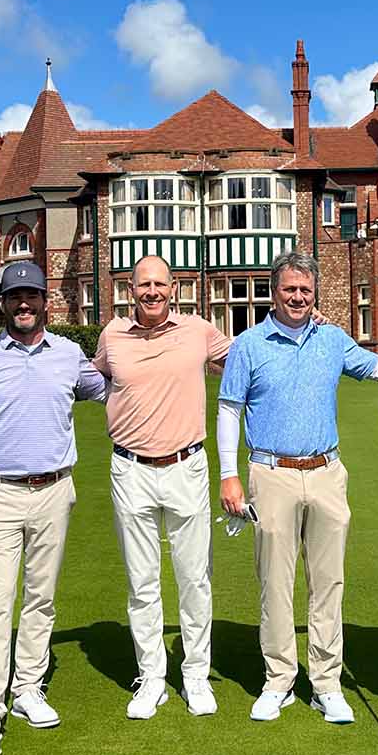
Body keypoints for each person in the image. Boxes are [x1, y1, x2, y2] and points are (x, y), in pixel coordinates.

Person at [216, 252, 378, 725]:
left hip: (326, 473)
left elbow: (376, 369)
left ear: (316, 294)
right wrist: (228, 474)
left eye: (305, 291)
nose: (297, 297)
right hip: (270, 472)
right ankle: (278, 681)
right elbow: (229, 409)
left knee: (328, 582)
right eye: (289, 289)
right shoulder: (249, 345)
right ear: (275, 292)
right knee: (275, 581)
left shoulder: (332, 339)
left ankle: (326, 683)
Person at [0, 262, 107, 755]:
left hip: (54, 491)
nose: (24, 304)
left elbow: (104, 387)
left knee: (41, 597)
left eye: (32, 296)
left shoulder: (70, 355)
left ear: (46, 301)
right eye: (14, 297)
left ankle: (27, 688)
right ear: (0, 303)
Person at [92, 254, 233, 719]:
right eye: (143, 284)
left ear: (174, 287)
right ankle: (151, 677)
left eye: (159, 283)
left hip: (186, 464)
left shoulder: (197, 331)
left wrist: (296, 320)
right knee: (142, 581)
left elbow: (250, 357)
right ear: (129, 288)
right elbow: (95, 377)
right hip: (130, 469)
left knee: (195, 578)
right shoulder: (112, 336)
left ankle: (195, 674)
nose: (151, 291)